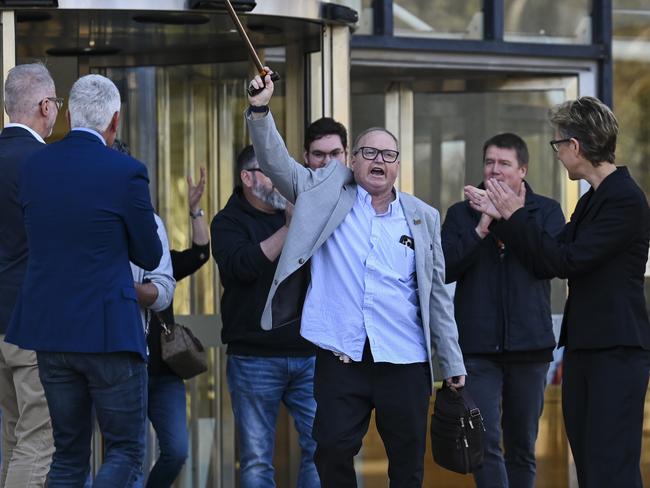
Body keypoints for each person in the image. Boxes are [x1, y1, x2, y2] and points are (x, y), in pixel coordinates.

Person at [246, 72, 466, 488]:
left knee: (406, 467)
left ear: (399, 164)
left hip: (404, 359)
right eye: (369, 153)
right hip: (342, 357)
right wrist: (260, 110)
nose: (379, 161)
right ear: (352, 160)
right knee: (329, 450)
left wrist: (451, 361)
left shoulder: (422, 216)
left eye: (388, 155)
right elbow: (276, 164)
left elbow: (436, 295)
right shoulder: (327, 194)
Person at [466, 96, 650, 488]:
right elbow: (544, 260)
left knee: (610, 466)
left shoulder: (624, 200)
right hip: (588, 348)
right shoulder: (593, 201)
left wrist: (514, 214)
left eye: (558, 145)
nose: (558, 154)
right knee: (589, 462)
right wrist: (501, 219)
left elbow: (566, 260)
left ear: (576, 146)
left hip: (616, 352)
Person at [5, 74, 162, 487]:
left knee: (67, 454)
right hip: (108, 332)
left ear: (69, 115)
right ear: (115, 121)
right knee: (126, 451)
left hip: (51, 333)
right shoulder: (127, 172)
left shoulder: (36, 165)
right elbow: (149, 254)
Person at [441, 133, 565, 488]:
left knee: (523, 447)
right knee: (485, 445)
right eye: (489, 162)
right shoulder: (461, 213)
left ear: (522, 170)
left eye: (504, 164)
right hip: (478, 351)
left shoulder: (546, 211)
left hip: (531, 350)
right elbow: (445, 268)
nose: (494, 171)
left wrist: (511, 219)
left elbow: (549, 264)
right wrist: (482, 228)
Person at [211, 145, 319, 488]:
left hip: (308, 354)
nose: (279, 180)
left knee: (322, 447)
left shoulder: (295, 213)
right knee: (257, 461)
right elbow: (241, 267)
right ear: (247, 177)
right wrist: (290, 229)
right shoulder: (227, 221)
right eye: (269, 172)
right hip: (254, 357)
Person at [0, 63, 57, 487]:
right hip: (32, 321)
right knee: (38, 437)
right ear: (44, 105)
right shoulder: (45, 164)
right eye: (57, 102)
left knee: (12, 434)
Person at [144, 168, 210, 487]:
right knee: (128, 452)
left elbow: (200, 255)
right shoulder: (106, 262)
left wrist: (195, 210)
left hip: (164, 372)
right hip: (123, 368)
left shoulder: (162, 262)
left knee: (176, 451)